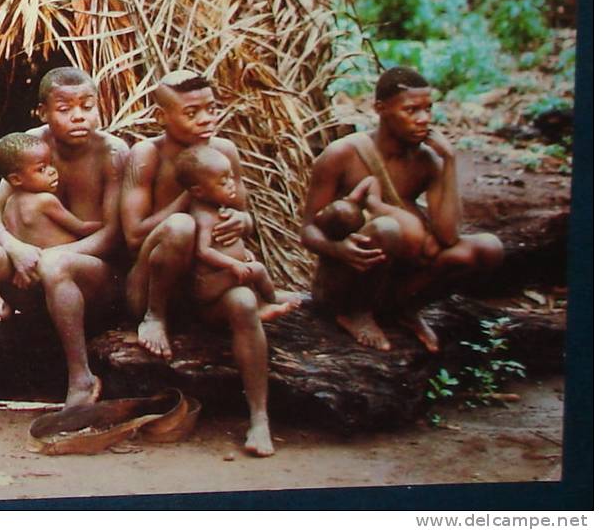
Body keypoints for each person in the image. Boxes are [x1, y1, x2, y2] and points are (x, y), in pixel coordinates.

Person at [0, 67, 129, 416]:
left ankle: (80, 377)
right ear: (43, 112)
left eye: (87, 106)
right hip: (33, 278)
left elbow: (113, 234)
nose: (78, 116)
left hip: (96, 281)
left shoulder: (112, 152)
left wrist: (48, 257)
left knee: (55, 264)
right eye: (64, 108)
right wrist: (16, 249)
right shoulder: (31, 145)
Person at [121, 70, 279, 456]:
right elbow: (132, 235)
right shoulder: (147, 155)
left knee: (243, 304)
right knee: (180, 227)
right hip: (155, 282)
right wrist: (188, 201)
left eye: (211, 109)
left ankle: (259, 419)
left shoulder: (223, 152)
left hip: (208, 284)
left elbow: (242, 216)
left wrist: (246, 220)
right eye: (193, 113)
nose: (207, 120)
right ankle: (155, 318)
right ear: (162, 117)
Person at [300, 66, 504, 353]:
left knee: (487, 248)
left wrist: (449, 161)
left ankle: (405, 310)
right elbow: (307, 230)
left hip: (395, 284)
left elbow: (448, 237)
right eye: (411, 110)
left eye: (428, 109)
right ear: (380, 109)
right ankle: (355, 313)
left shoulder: (427, 162)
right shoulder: (342, 154)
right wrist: (339, 249)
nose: (423, 119)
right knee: (387, 228)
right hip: (344, 284)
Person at [175, 144, 297, 322]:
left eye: (231, 177)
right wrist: (233, 264)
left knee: (250, 267)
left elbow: (224, 242)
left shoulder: (217, 208)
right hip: (208, 284)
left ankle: (262, 301)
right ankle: (268, 300)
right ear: (198, 191)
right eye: (223, 182)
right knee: (257, 269)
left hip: (220, 277)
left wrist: (241, 253)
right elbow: (203, 251)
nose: (232, 184)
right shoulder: (203, 216)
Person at [0, 132, 104, 247]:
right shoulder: (45, 200)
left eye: (51, 164)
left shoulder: (9, 204)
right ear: (16, 179)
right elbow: (82, 228)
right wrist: (107, 226)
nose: (52, 171)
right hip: (62, 256)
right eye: (41, 169)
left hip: (32, 256)